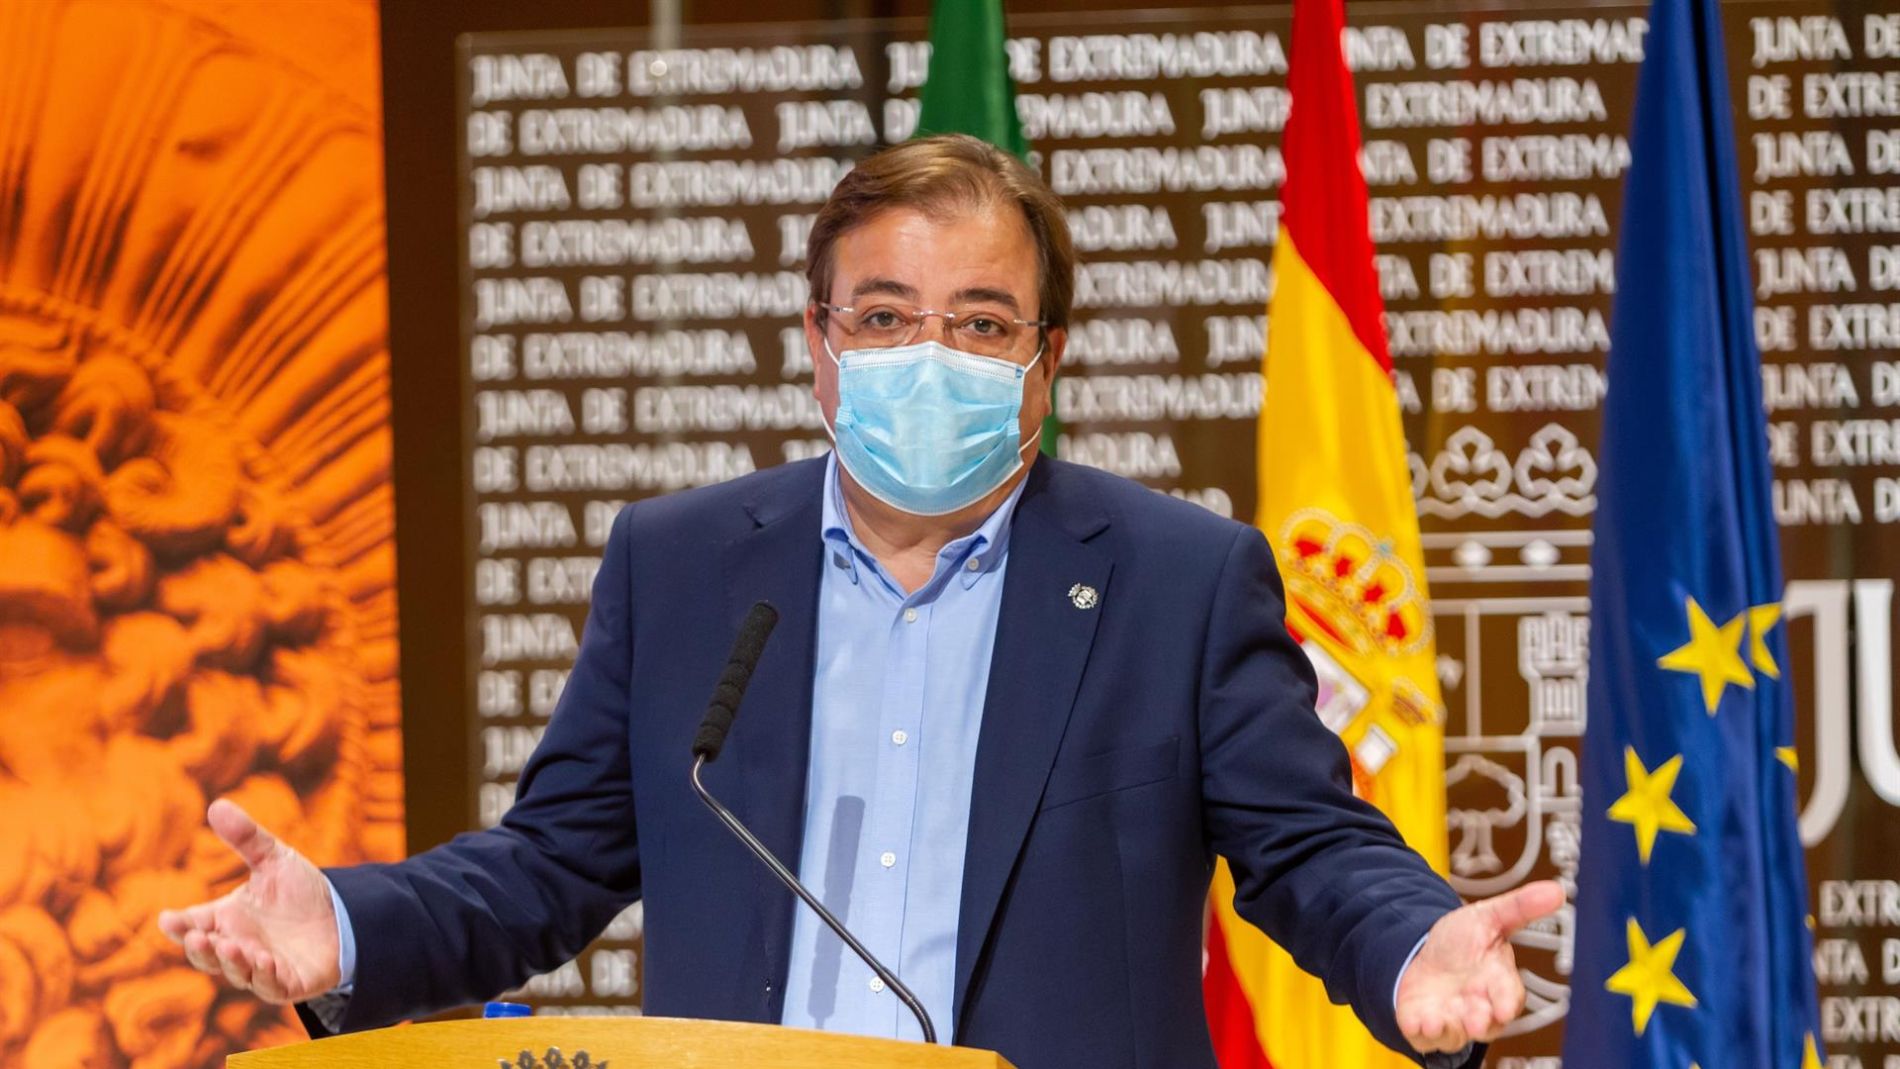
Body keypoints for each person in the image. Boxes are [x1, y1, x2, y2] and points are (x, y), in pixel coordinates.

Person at [158, 133, 1561, 1069]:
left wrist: (1411, 945)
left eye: (981, 322)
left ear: (1046, 359)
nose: (927, 354)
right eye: (884, 316)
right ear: (818, 342)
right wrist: (346, 926)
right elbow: (551, 865)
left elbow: (1309, 846)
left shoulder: (1178, 580)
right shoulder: (680, 564)